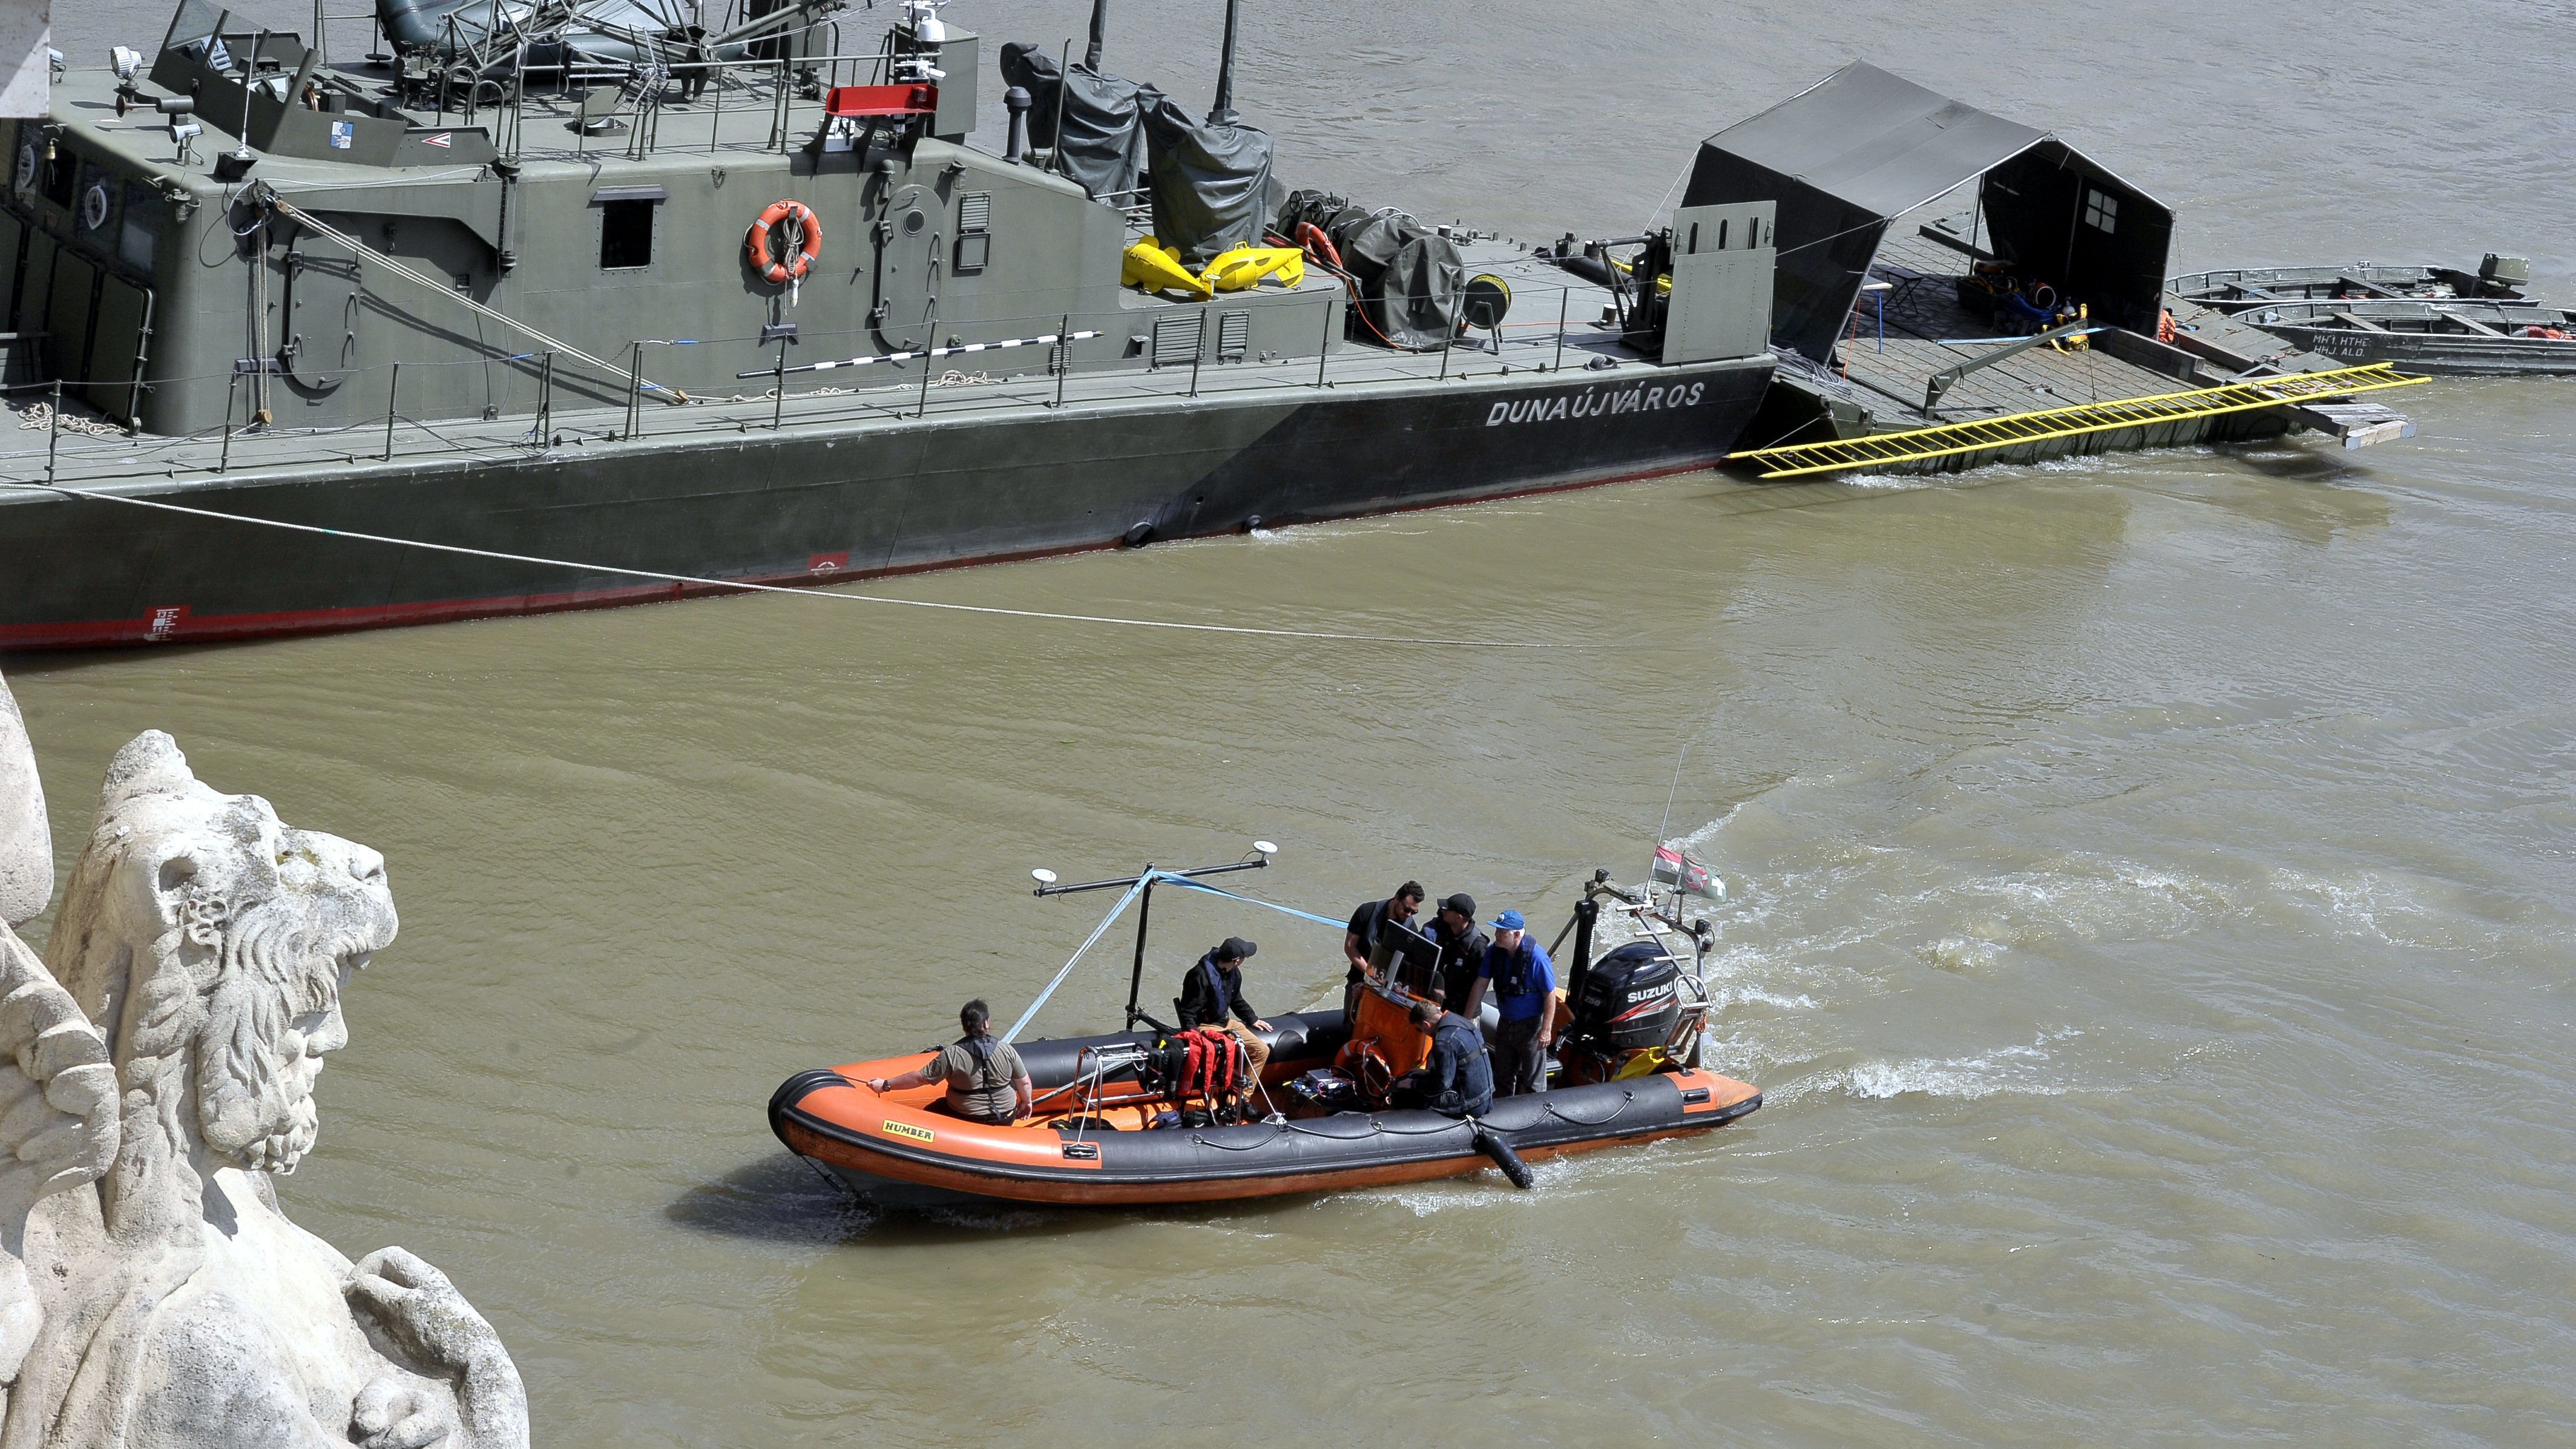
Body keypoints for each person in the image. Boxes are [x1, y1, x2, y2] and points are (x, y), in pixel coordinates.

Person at [867, 999, 1033, 1126]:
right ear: (986, 1023)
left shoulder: (952, 1055)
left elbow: (920, 1078)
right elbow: (1024, 1082)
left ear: (963, 1025)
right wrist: (1027, 1102)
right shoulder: (1007, 1050)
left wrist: (886, 1084)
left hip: (966, 1118)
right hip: (1006, 1117)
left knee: (931, 1112)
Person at [1465, 909, 1556, 1097]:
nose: (1497, 935)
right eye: (1497, 930)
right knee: (1502, 1076)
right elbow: (1481, 983)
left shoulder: (1537, 958)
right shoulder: (1494, 953)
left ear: (1516, 934)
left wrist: (1546, 1030)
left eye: (1502, 932)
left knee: (1534, 1081)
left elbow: (1550, 994)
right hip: (1505, 1023)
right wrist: (1467, 1019)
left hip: (1531, 1028)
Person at [1177, 936, 1272, 1103]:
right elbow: (1188, 1011)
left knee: (1262, 1051)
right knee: (1221, 1053)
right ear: (1236, 960)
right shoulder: (1199, 976)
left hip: (1225, 1023)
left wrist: (1252, 1019)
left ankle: (1243, 1099)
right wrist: (1193, 1036)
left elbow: (1236, 1000)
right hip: (1205, 1026)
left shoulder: (1234, 973)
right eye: (1245, 958)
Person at [1392, 998, 1493, 1117]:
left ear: (1426, 1024)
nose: (1423, 1032)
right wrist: (1429, 1073)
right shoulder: (1459, 1021)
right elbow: (1457, 1067)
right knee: (1415, 1079)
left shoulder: (1444, 1040)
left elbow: (1442, 1085)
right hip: (1486, 1096)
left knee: (1403, 1095)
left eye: (1420, 1030)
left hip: (1470, 1104)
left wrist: (1413, 1084)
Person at [1343, 879, 1427, 1013]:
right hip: (1358, 980)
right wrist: (1371, 974)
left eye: (1414, 912)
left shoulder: (1410, 929)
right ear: (1397, 897)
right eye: (1406, 909)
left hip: (1386, 989)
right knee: (1349, 1025)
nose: (1409, 915)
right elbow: (1349, 947)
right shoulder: (1366, 911)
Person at [1423, 892, 1490, 1013]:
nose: (1444, 910)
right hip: (1442, 1003)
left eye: (1448, 909)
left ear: (1459, 918)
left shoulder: (1478, 946)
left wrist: (1448, 994)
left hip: (1463, 1010)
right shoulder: (1445, 930)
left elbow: (1479, 985)